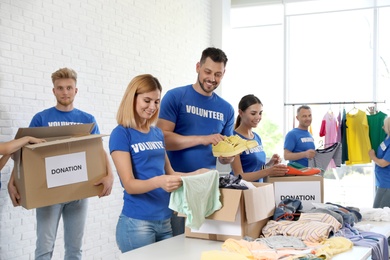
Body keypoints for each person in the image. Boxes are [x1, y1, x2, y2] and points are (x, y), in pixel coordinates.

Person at [7, 67, 114, 260]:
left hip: (79, 192)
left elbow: (98, 150)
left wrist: (110, 175)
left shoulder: (87, 120)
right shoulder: (41, 118)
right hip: (47, 193)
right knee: (44, 249)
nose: (65, 92)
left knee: (75, 250)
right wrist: (12, 181)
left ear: (76, 90)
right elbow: (23, 155)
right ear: (53, 91)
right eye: (60, 88)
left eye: (69, 88)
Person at [109, 74, 208, 253]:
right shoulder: (121, 134)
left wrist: (196, 174)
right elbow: (129, 184)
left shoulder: (157, 134)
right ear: (132, 98)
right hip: (137, 224)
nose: (152, 107)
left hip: (165, 221)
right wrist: (160, 181)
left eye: (156, 102)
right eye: (147, 100)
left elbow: (170, 173)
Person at [156, 47, 235, 236]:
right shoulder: (176, 97)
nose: (212, 78)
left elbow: (224, 153)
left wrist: (227, 158)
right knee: (173, 247)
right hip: (175, 185)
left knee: (196, 247)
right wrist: (203, 139)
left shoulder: (227, 109)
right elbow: (162, 139)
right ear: (198, 67)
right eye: (208, 71)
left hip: (203, 189)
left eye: (218, 74)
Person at [230, 94, 287, 182]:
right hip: (243, 191)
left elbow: (255, 169)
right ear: (241, 113)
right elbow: (239, 176)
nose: (258, 117)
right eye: (253, 113)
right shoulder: (233, 139)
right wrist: (268, 171)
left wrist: (270, 164)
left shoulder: (257, 137)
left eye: (260, 113)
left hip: (258, 189)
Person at [369, 116, 390, 208]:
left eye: (384, 126)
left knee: (379, 212)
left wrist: (372, 157)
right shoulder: (387, 138)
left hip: (387, 183)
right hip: (381, 182)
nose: (382, 127)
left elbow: (383, 163)